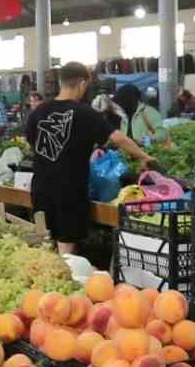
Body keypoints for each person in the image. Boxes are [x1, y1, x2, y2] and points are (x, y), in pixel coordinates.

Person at [24, 61, 152, 254]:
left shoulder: (38, 112)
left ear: (62, 82)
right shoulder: (84, 113)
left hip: (40, 189)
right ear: (83, 83)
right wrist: (144, 156)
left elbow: (31, 144)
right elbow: (118, 137)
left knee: (44, 243)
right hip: (69, 191)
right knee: (65, 246)